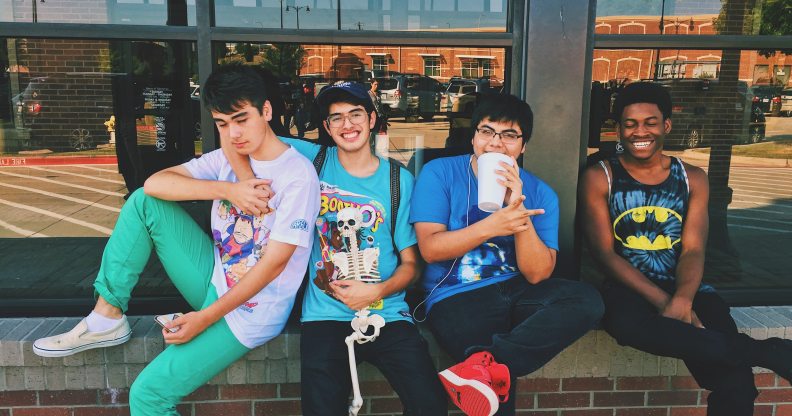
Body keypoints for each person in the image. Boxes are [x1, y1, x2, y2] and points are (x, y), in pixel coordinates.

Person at [32, 64, 321, 415]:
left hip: (251, 311)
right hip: (213, 279)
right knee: (143, 203)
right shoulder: (227, 159)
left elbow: (275, 264)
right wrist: (228, 189)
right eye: (221, 123)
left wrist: (204, 318)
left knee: (148, 396)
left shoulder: (297, 176)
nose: (233, 134)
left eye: (241, 119)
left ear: (267, 111)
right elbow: (154, 184)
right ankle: (107, 315)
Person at [225, 81, 448, 415]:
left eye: (356, 114)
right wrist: (247, 186)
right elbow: (237, 140)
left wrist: (377, 290)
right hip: (325, 315)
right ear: (327, 127)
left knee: (429, 404)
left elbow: (411, 265)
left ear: (373, 120)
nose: (348, 125)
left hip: (387, 312)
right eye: (337, 118)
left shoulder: (398, 180)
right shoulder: (310, 159)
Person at [578, 81, 792, 416]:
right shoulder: (601, 176)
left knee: (735, 383)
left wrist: (683, 298)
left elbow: (693, 249)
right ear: (618, 129)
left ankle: (762, 353)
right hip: (627, 288)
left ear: (666, 125)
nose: (639, 132)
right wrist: (667, 303)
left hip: (688, 286)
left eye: (650, 122)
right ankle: (769, 351)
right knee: (626, 325)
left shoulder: (692, 177)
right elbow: (605, 254)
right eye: (630, 124)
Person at [410, 94, 604, 416]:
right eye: (487, 132)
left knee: (586, 300)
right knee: (498, 402)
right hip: (455, 295)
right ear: (473, 137)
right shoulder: (440, 173)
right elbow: (430, 250)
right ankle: (488, 371)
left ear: (523, 146)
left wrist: (519, 211)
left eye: (509, 135)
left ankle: (482, 366)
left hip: (517, 288)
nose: (495, 144)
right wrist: (491, 226)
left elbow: (538, 275)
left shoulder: (540, 192)